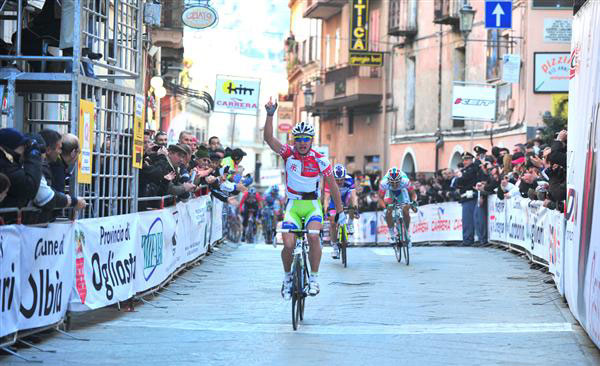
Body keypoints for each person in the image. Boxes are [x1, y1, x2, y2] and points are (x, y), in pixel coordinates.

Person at [263, 98, 345, 299]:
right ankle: (287, 277)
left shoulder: (320, 159)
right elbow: (269, 139)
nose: (301, 143)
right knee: (289, 244)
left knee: (314, 236)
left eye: (305, 139)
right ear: (294, 140)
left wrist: (341, 212)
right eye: (298, 139)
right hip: (293, 205)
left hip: (312, 206)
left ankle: (314, 278)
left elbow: (333, 187)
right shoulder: (288, 153)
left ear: (311, 140)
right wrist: (270, 114)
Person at [325, 164, 359, 259]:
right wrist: (326, 210)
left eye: (341, 179)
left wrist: (355, 208)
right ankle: (335, 247)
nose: (339, 182)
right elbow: (326, 199)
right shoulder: (329, 181)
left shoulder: (349, 180)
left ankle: (350, 223)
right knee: (332, 222)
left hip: (345, 198)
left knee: (352, 204)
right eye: (337, 180)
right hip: (334, 200)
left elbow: (353, 195)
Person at [378, 167, 417, 245]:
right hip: (390, 192)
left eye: (397, 182)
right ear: (388, 181)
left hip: (402, 191)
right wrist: (385, 208)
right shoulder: (383, 183)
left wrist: (413, 203)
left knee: (406, 210)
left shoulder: (405, 181)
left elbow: (413, 194)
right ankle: (392, 234)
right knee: (389, 210)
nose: (395, 184)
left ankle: (406, 232)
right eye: (392, 183)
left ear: (400, 180)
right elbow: (380, 198)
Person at [451, 152, 481, 246]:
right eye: (464, 160)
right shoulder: (465, 170)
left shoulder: (473, 169)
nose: (465, 162)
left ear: (471, 160)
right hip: (465, 196)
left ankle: (469, 239)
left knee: (470, 220)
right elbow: (455, 183)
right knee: (467, 220)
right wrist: (460, 178)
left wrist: (460, 177)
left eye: (467, 159)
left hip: (471, 196)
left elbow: (464, 179)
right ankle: (467, 239)